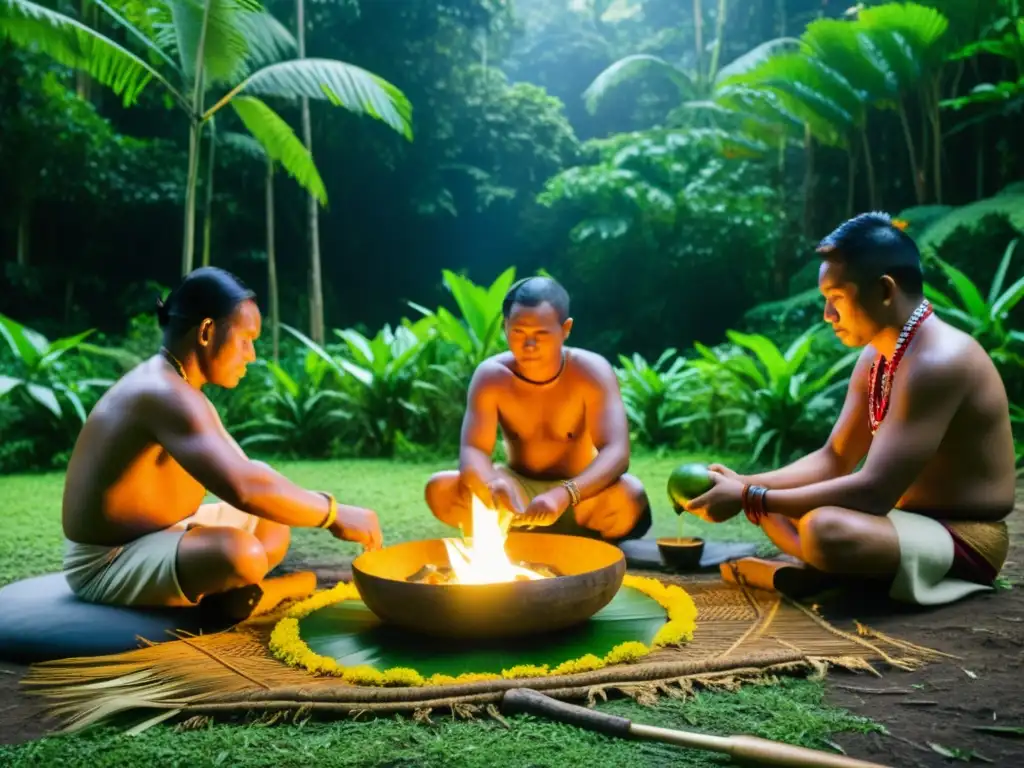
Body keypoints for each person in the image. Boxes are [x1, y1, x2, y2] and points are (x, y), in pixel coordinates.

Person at [686, 213, 1016, 605]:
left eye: (837, 298)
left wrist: (750, 497)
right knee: (789, 506)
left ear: (885, 290)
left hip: (963, 536)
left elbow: (874, 491)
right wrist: (744, 484)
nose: (828, 315)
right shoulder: (877, 357)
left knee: (824, 528)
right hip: (898, 523)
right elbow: (834, 456)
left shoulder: (938, 360)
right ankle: (835, 570)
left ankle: (827, 569)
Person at [61, 267, 382, 616]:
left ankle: (232, 588)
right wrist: (333, 513)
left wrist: (316, 507)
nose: (252, 355)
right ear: (206, 331)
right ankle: (262, 592)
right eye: (246, 339)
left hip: (164, 532)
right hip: (109, 559)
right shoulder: (163, 393)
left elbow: (251, 475)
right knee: (240, 554)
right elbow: (242, 487)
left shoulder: (179, 387)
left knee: (273, 519)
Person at [425, 276, 651, 542]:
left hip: (580, 494)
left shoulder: (591, 370)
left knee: (629, 496)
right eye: (519, 332)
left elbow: (617, 452)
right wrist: (492, 485)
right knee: (441, 489)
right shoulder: (491, 375)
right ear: (505, 327)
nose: (529, 345)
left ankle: (565, 533)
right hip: (517, 493)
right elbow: (473, 449)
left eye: (541, 334)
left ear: (565, 329)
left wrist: (564, 494)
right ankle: (518, 528)